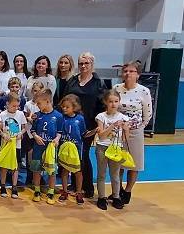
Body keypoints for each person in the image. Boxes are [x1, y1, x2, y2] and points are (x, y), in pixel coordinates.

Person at [64, 52, 105, 199]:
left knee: (83, 155)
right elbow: (65, 99)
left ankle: (87, 188)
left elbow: (102, 106)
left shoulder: (98, 83)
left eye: (86, 63)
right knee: (72, 155)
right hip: (71, 124)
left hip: (88, 125)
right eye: (81, 63)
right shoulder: (73, 81)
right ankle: (75, 185)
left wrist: (98, 125)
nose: (83, 66)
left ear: (92, 64)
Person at [114, 60, 153, 205]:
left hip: (135, 132)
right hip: (118, 132)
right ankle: (117, 190)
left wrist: (138, 127)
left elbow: (148, 114)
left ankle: (128, 191)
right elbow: (112, 107)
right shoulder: (116, 88)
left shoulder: (144, 91)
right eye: (125, 71)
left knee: (134, 164)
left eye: (131, 71)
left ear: (138, 74)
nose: (128, 74)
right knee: (117, 163)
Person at [95, 90, 130, 210]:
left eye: (116, 101)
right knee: (101, 174)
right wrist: (112, 126)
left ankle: (116, 197)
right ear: (105, 102)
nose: (113, 104)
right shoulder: (101, 116)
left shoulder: (123, 117)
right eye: (110, 101)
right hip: (102, 147)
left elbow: (125, 139)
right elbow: (101, 136)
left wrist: (126, 129)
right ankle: (101, 197)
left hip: (116, 148)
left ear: (119, 102)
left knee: (115, 175)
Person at [29, 91, 64, 205]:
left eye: (39, 103)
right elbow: (33, 130)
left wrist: (57, 139)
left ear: (48, 101)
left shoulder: (58, 116)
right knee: (36, 169)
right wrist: (36, 136)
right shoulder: (37, 115)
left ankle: (51, 192)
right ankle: (37, 191)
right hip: (38, 146)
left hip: (51, 147)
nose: (37, 105)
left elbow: (60, 132)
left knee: (51, 170)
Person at [58, 94, 86, 205]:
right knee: (65, 170)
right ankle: (64, 191)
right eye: (63, 106)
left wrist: (94, 131)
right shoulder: (61, 118)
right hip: (64, 149)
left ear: (74, 107)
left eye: (67, 107)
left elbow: (84, 133)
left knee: (78, 171)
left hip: (76, 149)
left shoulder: (80, 119)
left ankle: (78, 192)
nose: (64, 109)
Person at [0, 93, 26, 199]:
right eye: (14, 106)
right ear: (7, 104)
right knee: (4, 166)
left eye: (18, 106)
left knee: (15, 166)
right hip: (6, 145)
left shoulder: (20, 114)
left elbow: (24, 127)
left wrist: (21, 133)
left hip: (16, 145)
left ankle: (14, 187)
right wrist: (3, 135)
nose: (16, 108)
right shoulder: (2, 114)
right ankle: (3, 186)